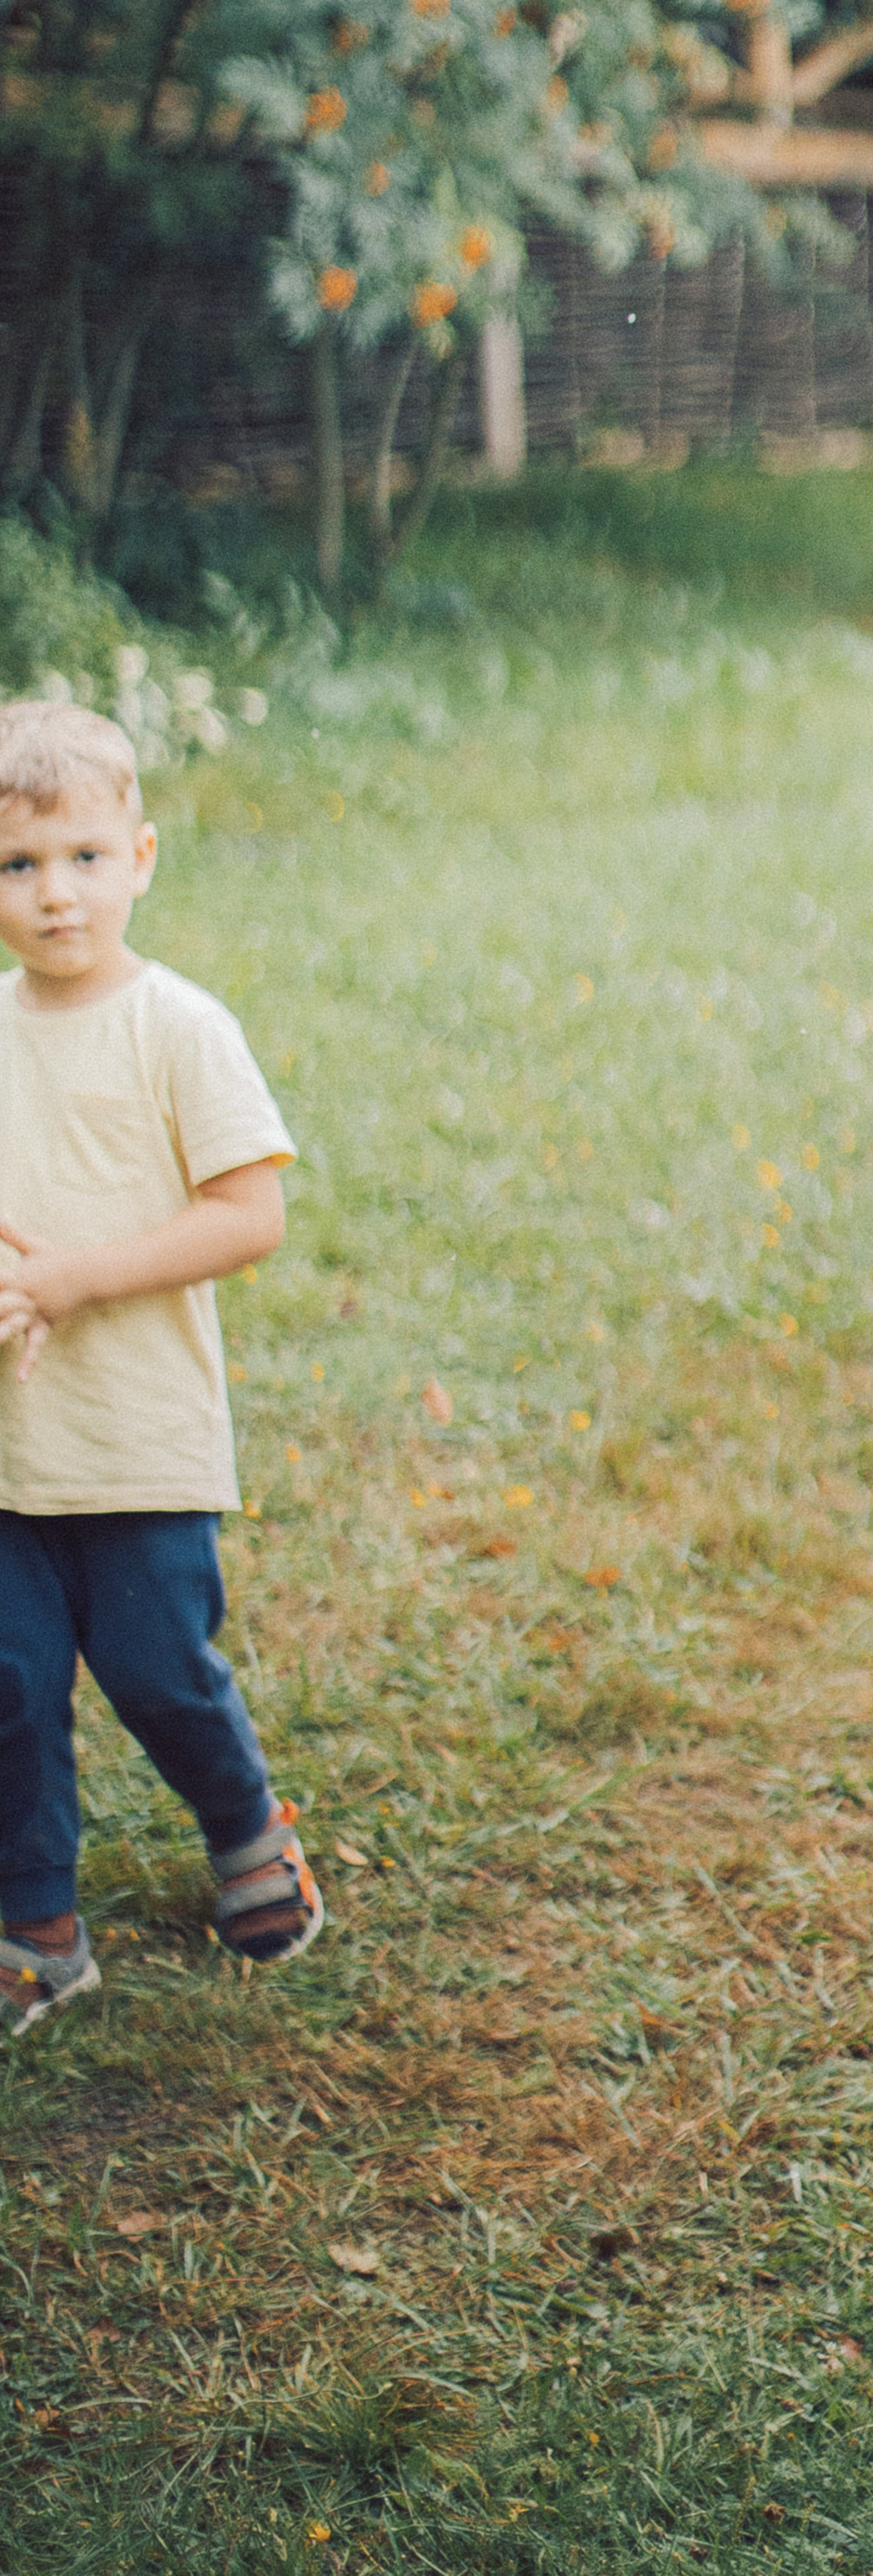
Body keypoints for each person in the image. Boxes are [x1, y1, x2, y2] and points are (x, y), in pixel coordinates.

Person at [0, 699, 323, 2031]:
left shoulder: (179, 1027)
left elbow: (250, 1215)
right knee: (9, 1684)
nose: (55, 894)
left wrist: (76, 1277)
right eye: (18, 865)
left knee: (157, 1667)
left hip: (136, 1438)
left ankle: (245, 1822)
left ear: (140, 857)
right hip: (12, 1447)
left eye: (84, 857)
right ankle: (36, 1920)